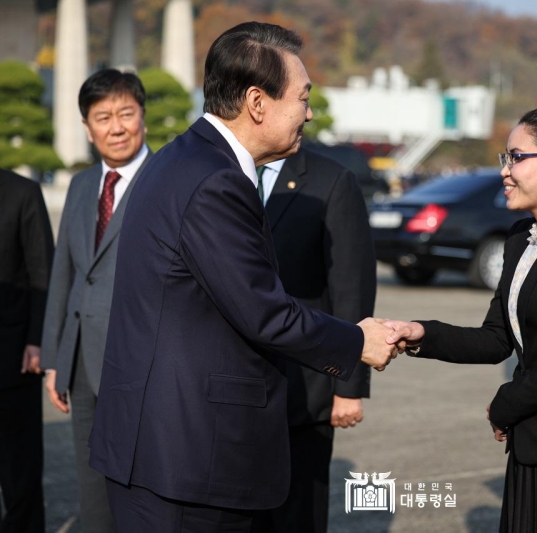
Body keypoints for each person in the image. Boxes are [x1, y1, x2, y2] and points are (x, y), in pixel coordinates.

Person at [87, 22, 395, 532]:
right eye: (302, 98)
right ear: (258, 102)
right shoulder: (216, 181)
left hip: (158, 447)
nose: (309, 113)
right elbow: (264, 310)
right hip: (187, 459)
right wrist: (357, 341)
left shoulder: (179, 159)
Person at [385, 106, 537, 532]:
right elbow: (496, 338)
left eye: (517, 157)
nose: (505, 170)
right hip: (531, 442)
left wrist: (506, 404)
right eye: (505, 157)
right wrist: (420, 334)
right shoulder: (521, 238)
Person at [38, 68, 151, 533]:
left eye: (126, 113)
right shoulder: (83, 185)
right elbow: (65, 272)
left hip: (141, 361)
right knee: (91, 486)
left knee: (142, 483)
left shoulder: (166, 180)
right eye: (103, 117)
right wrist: (52, 357)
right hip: (81, 361)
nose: (116, 126)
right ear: (87, 127)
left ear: (143, 116)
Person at [257, 148, 375, 533]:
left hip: (304, 387)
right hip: (234, 385)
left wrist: (349, 385)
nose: (305, 112)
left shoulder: (332, 180)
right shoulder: (224, 170)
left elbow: (350, 288)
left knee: (298, 514)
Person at [0, 169, 53, 533]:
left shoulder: (22, 191)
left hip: (13, 355)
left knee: (20, 473)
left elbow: (42, 273)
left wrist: (37, 340)